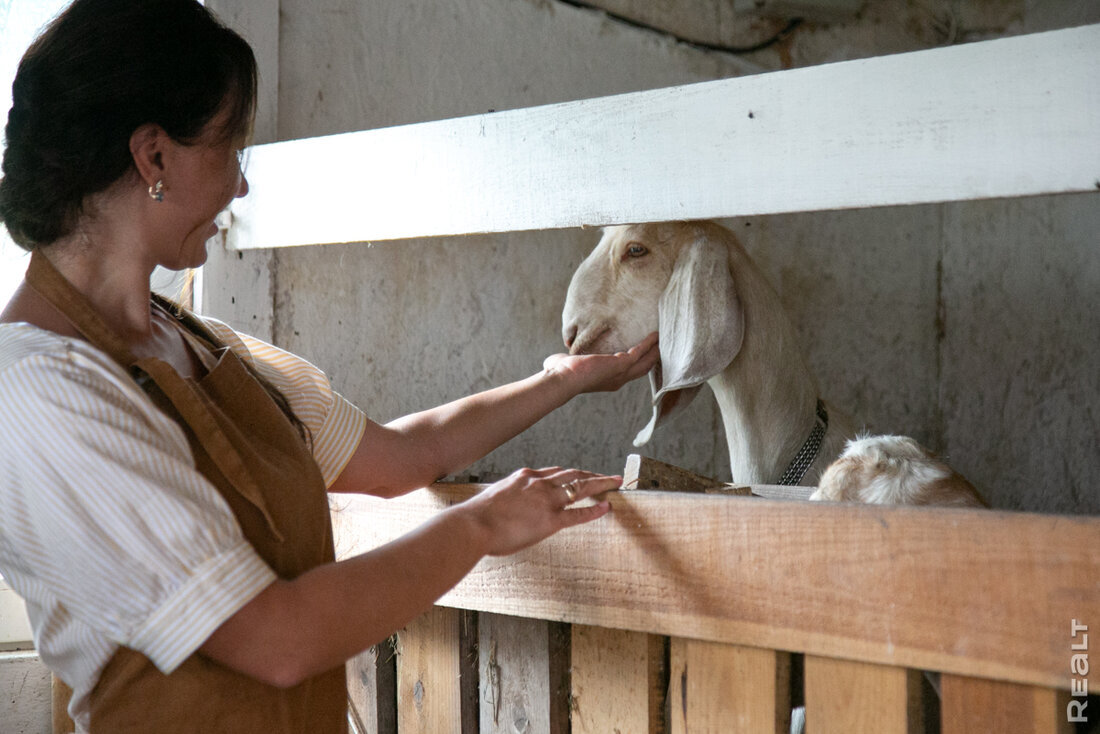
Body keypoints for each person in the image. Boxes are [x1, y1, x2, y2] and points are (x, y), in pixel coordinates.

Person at [0, 0, 659, 731]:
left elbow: (401, 457)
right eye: (229, 148)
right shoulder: (37, 390)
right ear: (154, 156)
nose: (240, 185)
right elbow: (277, 639)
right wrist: (481, 525)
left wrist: (565, 380)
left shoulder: (201, 345)